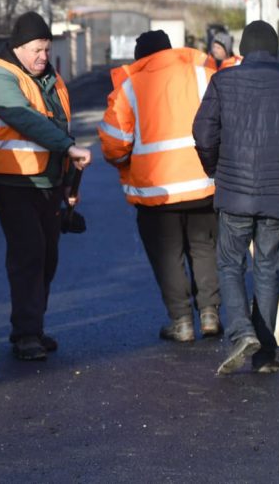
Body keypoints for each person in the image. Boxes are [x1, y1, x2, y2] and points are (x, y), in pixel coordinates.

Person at [193, 20, 279, 374]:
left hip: (234, 194)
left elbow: (203, 133)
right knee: (268, 268)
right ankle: (264, 356)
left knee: (231, 264)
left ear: (243, 50)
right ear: (276, 48)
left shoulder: (223, 81)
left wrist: (215, 169)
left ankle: (241, 332)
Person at [0, 11, 91, 361]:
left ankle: (33, 327)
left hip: (47, 180)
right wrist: (68, 147)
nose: (43, 56)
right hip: (13, 180)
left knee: (47, 256)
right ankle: (25, 334)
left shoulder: (51, 80)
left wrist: (70, 180)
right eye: (36, 50)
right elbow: (24, 119)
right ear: (18, 47)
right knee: (28, 253)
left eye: (46, 49)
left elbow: (60, 125)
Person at [99, 30, 220, 343]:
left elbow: (114, 145)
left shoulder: (131, 87)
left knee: (168, 256)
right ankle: (210, 314)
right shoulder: (203, 75)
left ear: (140, 58)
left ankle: (182, 322)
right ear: (171, 50)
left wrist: (127, 159)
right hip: (204, 183)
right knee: (204, 248)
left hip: (157, 192)